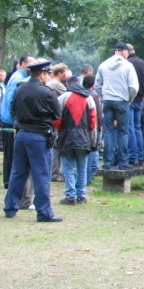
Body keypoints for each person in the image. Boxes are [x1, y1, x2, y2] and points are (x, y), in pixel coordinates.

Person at [3, 60, 62, 222]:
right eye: (47, 74)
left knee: (18, 172)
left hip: (22, 135)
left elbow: (13, 109)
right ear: (42, 74)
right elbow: (57, 115)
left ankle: (10, 206)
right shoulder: (46, 92)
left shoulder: (20, 89)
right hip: (39, 136)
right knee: (41, 174)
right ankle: (44, 212)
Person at [95, 42, 139, 170]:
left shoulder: (103, 65)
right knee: (123, 132)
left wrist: (103, 96)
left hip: (107, 101)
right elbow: (134, 87)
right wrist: (129, 99)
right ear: (125, 51)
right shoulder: (128, 66)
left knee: (108, 131)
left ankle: (108, 162)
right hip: (122, 100)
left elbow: (97, 85)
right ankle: (123, 162)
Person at [53, 76, 97, 205]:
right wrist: (93, 142)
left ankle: (70, 196)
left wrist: (58, 134)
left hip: (66, 137)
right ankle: (81, 195)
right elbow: (93, 124)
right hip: (84, 139)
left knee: (68, 167)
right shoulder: (89, 99)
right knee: (82, 167)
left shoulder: (62, 98)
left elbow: (56, 120)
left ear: (67, 84)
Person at [1, 54, 35, 190]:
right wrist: (13, 120)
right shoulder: (18, 78)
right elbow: (10, 100)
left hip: (9, 120)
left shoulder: (19, 77)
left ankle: (10, 182)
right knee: (10, 153)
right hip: (10, 121)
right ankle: (9, 183)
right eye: (30, 63)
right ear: (21, 64)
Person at [126, 44, 144, 166]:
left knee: (130, 127)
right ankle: (141, 155)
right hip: (140, 99)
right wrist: (143, 95)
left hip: (130, 99)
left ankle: (133, 156)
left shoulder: (127, 64)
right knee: (138, 128)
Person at [83, 75, 102, 185]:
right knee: (93, 150)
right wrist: (99, 128)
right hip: (92, 127)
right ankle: (91, 174)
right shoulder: (94, 96)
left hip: (82, 128)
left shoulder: (80, 95)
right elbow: (98, 113)